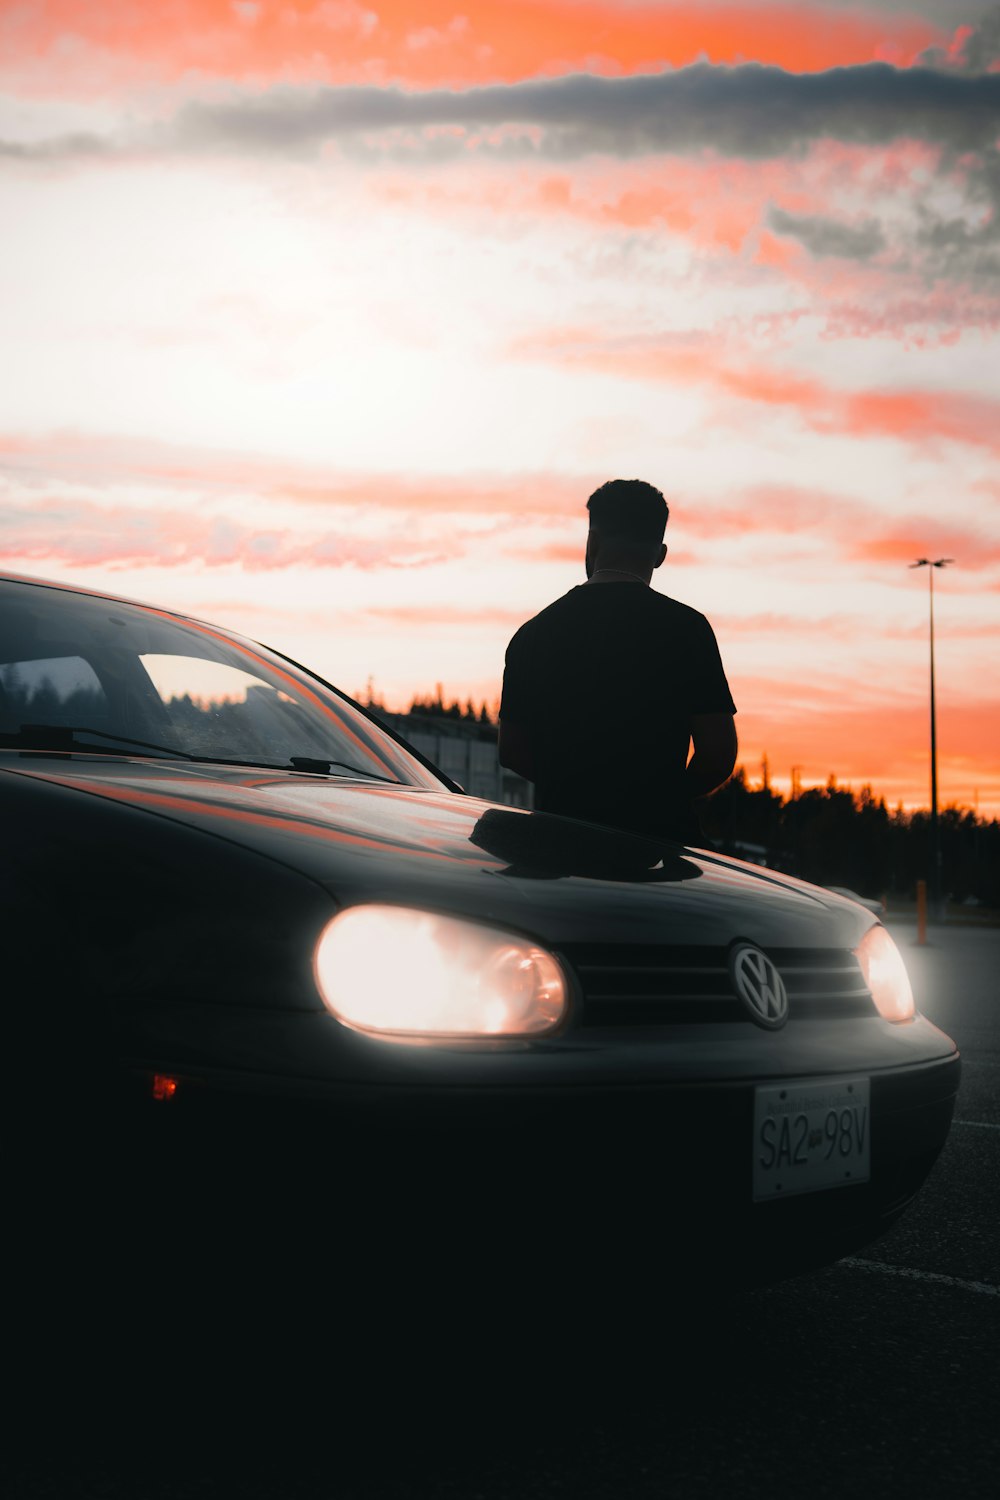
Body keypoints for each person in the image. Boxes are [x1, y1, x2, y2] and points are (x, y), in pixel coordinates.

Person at [498, 478, 737, 845]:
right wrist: (661, 799)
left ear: (592, 542)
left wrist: (575, 790)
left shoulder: (534, 634)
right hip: (657, 850)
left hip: (559, 845)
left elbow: (512, 751)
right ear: (660, 554)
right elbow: (718, 754)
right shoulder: (688, 630)